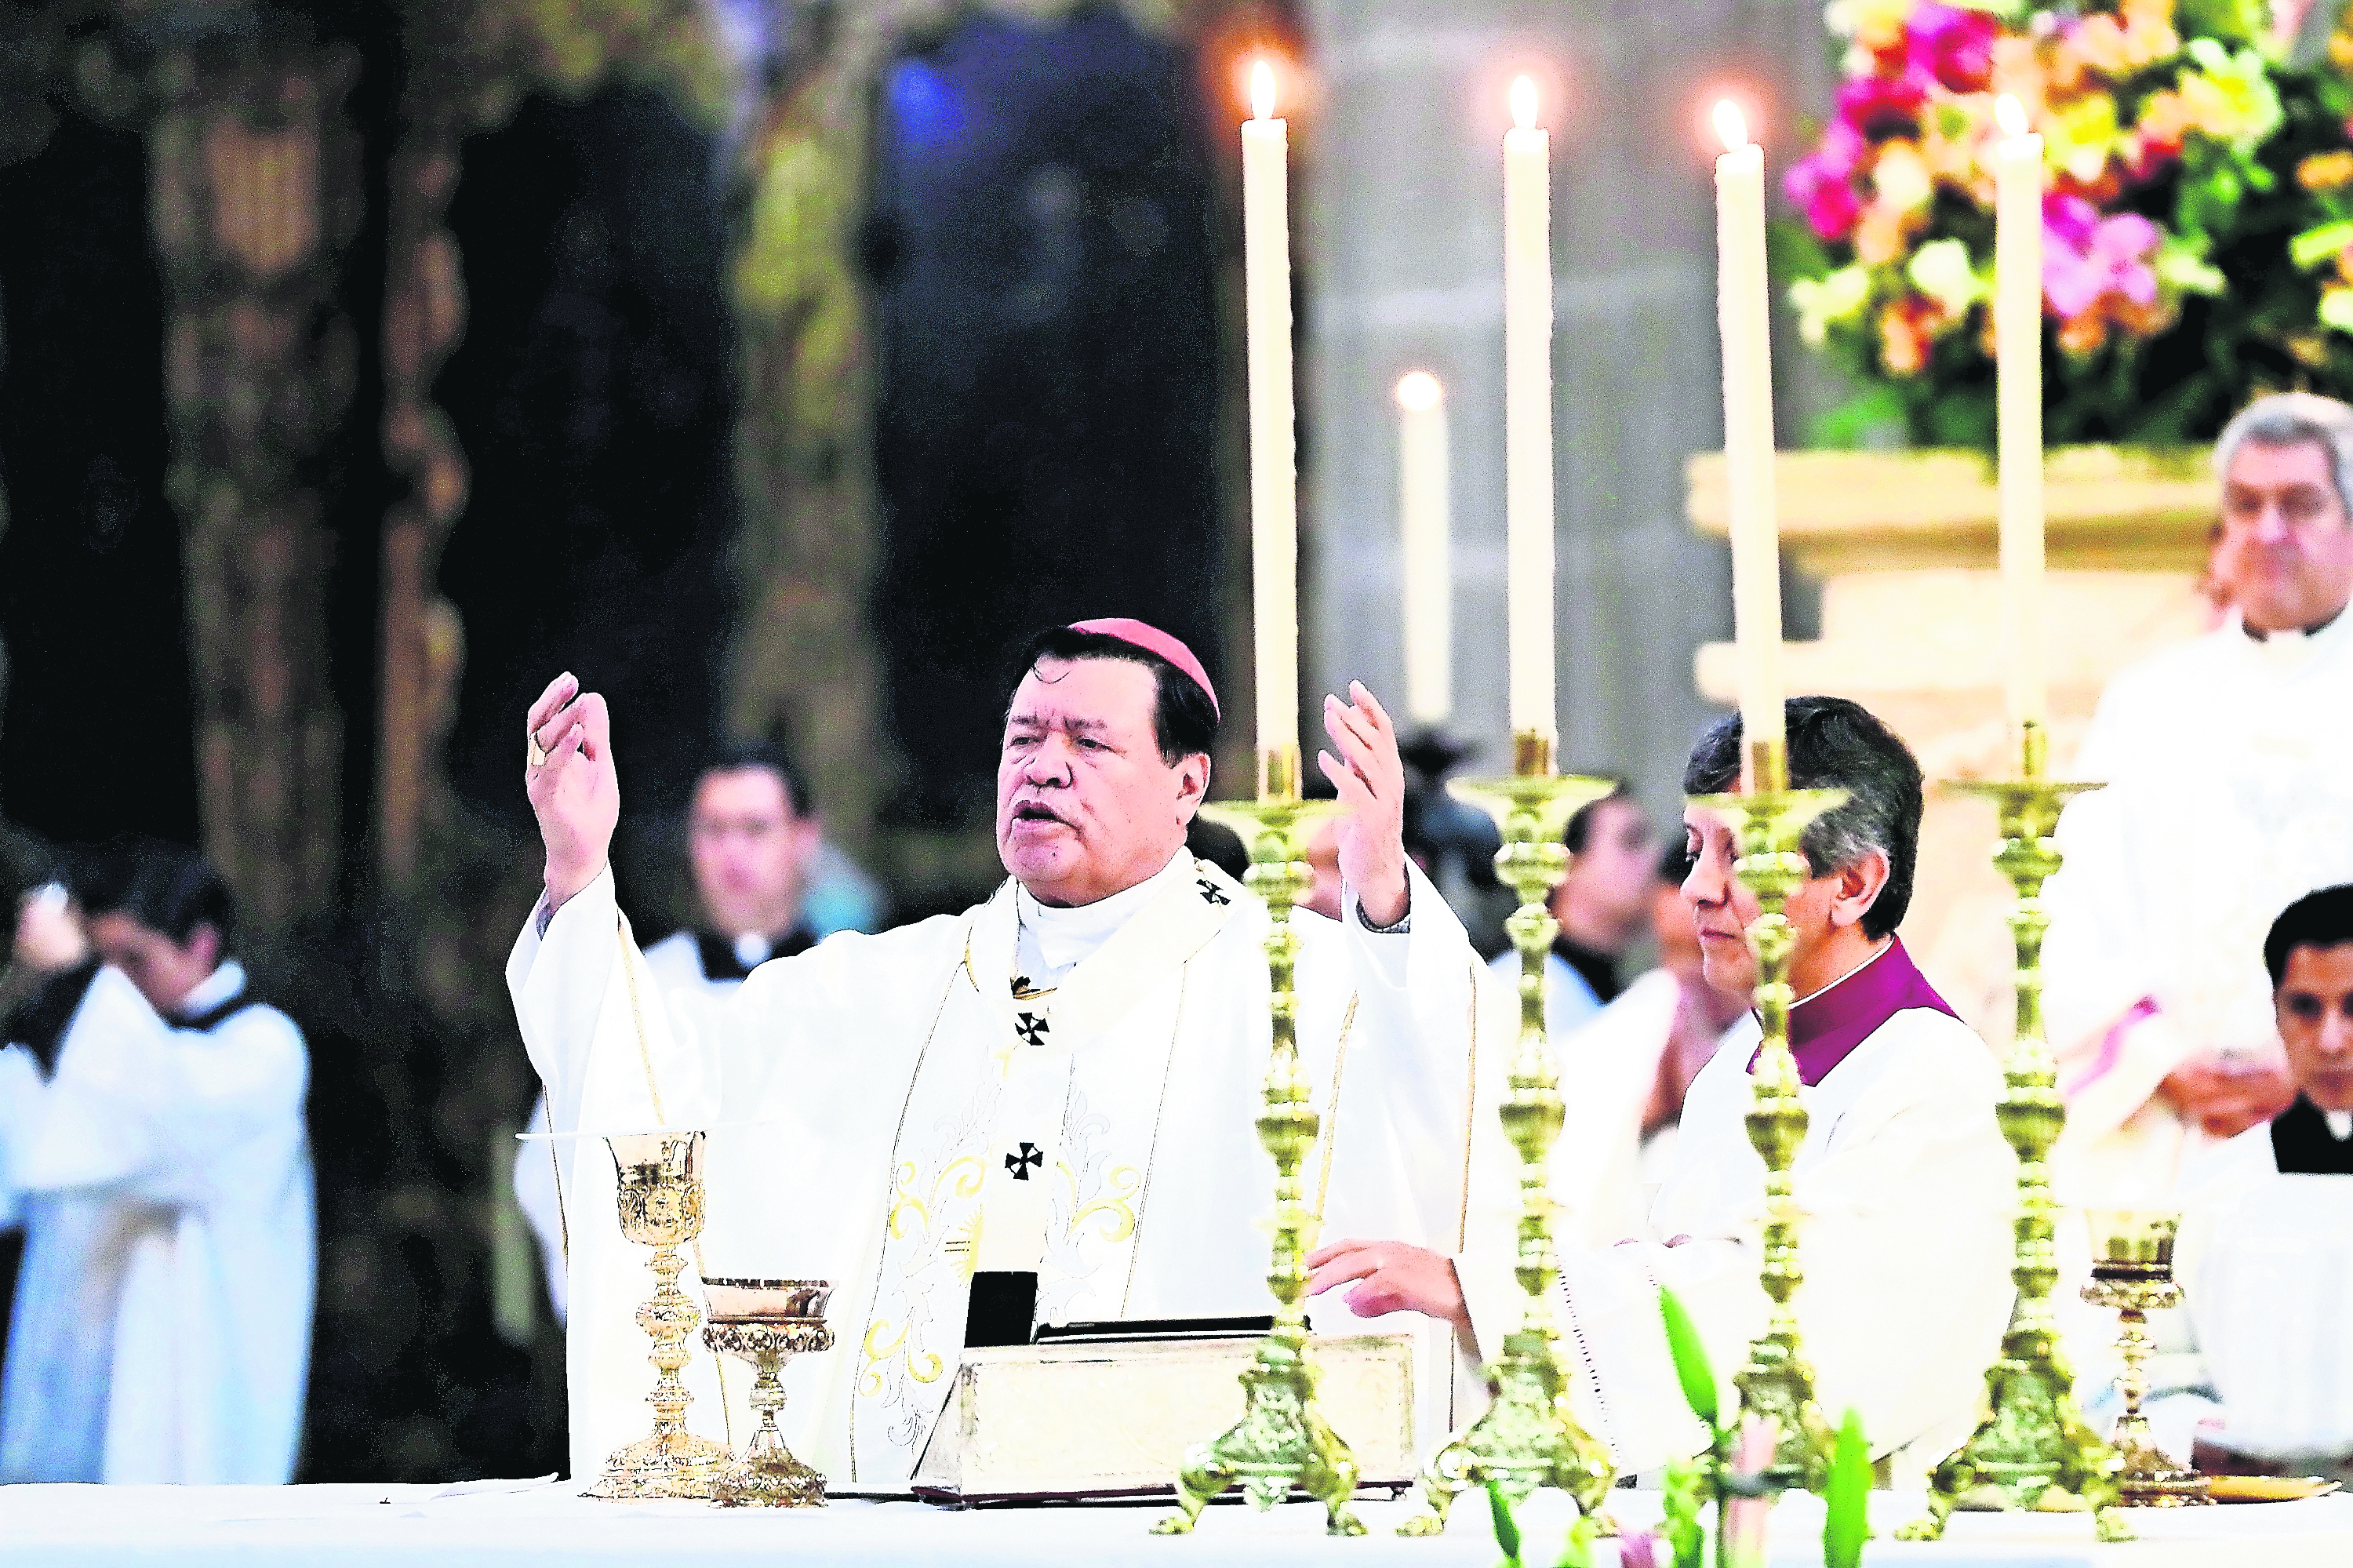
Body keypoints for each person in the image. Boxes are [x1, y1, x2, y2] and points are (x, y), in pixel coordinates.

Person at [510, 618, 1483, 1488]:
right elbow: (655, 1081)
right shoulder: (889, 986)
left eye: (1089, 742)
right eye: (1024, 739)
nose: (1044, 767)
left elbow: (1446, 1068)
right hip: (913, 1510)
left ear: (1189, 782)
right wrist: (578, 869)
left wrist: (1387, 894)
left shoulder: (1295, 982)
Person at [1306, 697, 2013, 1479]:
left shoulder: (1936, 1085)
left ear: (1853, 881)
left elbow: (1784, 1316)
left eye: (1738, 853)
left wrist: (1486, 1295)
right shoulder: (1737, 1069)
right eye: (1692, 848)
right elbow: (1529, 1146)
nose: (1696, 889)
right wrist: (1389, 899)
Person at [2044, 393, 2353, 1200]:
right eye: (2245, 505)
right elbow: (2074, 911)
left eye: (2301, 504)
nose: (2268, 531)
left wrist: (2320, 1061)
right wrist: (2160, 1059)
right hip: (2185, 1135)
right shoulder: (2150, 704)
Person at [511, 738, 872, 1321]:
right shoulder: (637, 985)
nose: (732, 854)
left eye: (755, 829)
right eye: (713, 829)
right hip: (672, 1334)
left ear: (806, 838)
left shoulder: (861, 990)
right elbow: (552, 1165)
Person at [0, 842, 313, 1483]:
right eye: (103, 961)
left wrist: (74, 980)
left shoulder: (264, 1049)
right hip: (69, 1418)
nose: (114, 984)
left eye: (132, 960)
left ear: (200, 945)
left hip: (188, 1427)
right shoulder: (97, 1041)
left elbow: (163, 1111)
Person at [1479, 781, 1658, 1046]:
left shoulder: (1605, 986)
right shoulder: (1520, 992)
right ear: (1563, 863)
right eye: (1630, 842)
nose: (1654, 857)